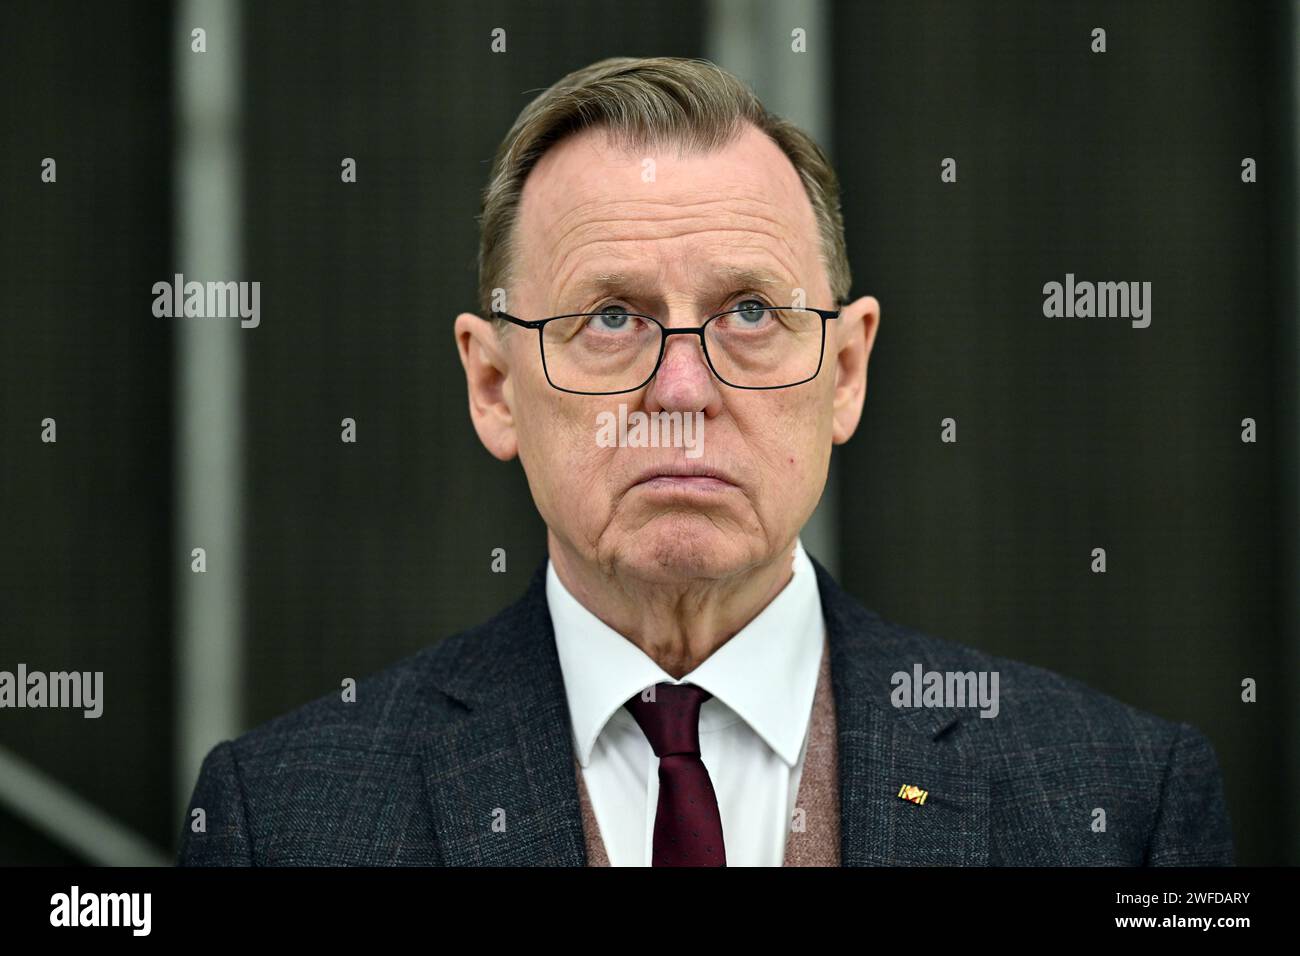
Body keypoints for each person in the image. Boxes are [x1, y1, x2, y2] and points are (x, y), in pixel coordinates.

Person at [177, 56, 1233, 866]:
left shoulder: (1120, 802)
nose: (681, 394)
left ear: (847, 367)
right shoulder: (287, 817)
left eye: (750, 311)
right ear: (494, 384)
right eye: (609, 316)